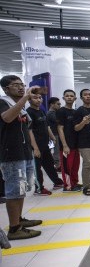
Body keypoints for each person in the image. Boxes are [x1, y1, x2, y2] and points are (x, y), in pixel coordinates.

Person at [0, 75, 42, 240]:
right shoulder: (3, 102)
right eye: (15, 85)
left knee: (21, 189)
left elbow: (27, 128)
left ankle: (19, 220)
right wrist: (25, 98)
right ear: (6, 89)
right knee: (14, 191)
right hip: (11, 154)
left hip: (23, 152)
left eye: (21, 84)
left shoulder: (20, 106)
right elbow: (7, 118)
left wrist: (34, 148)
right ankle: (14, 228)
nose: (20, 87)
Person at [27, 94, 64, 195]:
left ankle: (57, 182)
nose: (38, 100)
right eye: (35, 98)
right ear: (29, 100)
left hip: (45, 145)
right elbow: (29, 131)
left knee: (49, 164)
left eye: (40, 98)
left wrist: (52, 137)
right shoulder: (29, 112)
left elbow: (47, 126)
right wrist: (35, 148)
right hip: (35, 146)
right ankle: (39, 188)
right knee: (37, 168)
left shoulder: (42, 111)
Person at [56, 90, 81, 192]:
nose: (69, 97)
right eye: (67, 96)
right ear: (63, 98)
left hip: (75, 144)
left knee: (75, 166)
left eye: (71, 96)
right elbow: (60, 128)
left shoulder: (75, 112)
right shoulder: (61, 111)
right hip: (66, 145)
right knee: (67, 167)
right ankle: (68, 186)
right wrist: (65, 145)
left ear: (75, 98)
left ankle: (74, 183)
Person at [46, 97, 61, 170]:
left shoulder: (54, 113)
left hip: (55, 135)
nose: (59, 106)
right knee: (55, 151)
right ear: (52, 104)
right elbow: (59, 121)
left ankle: (56, 165)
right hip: (53, 136)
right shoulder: (50, 114)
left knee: (55, 150)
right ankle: (57, 166)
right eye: (58, 104)